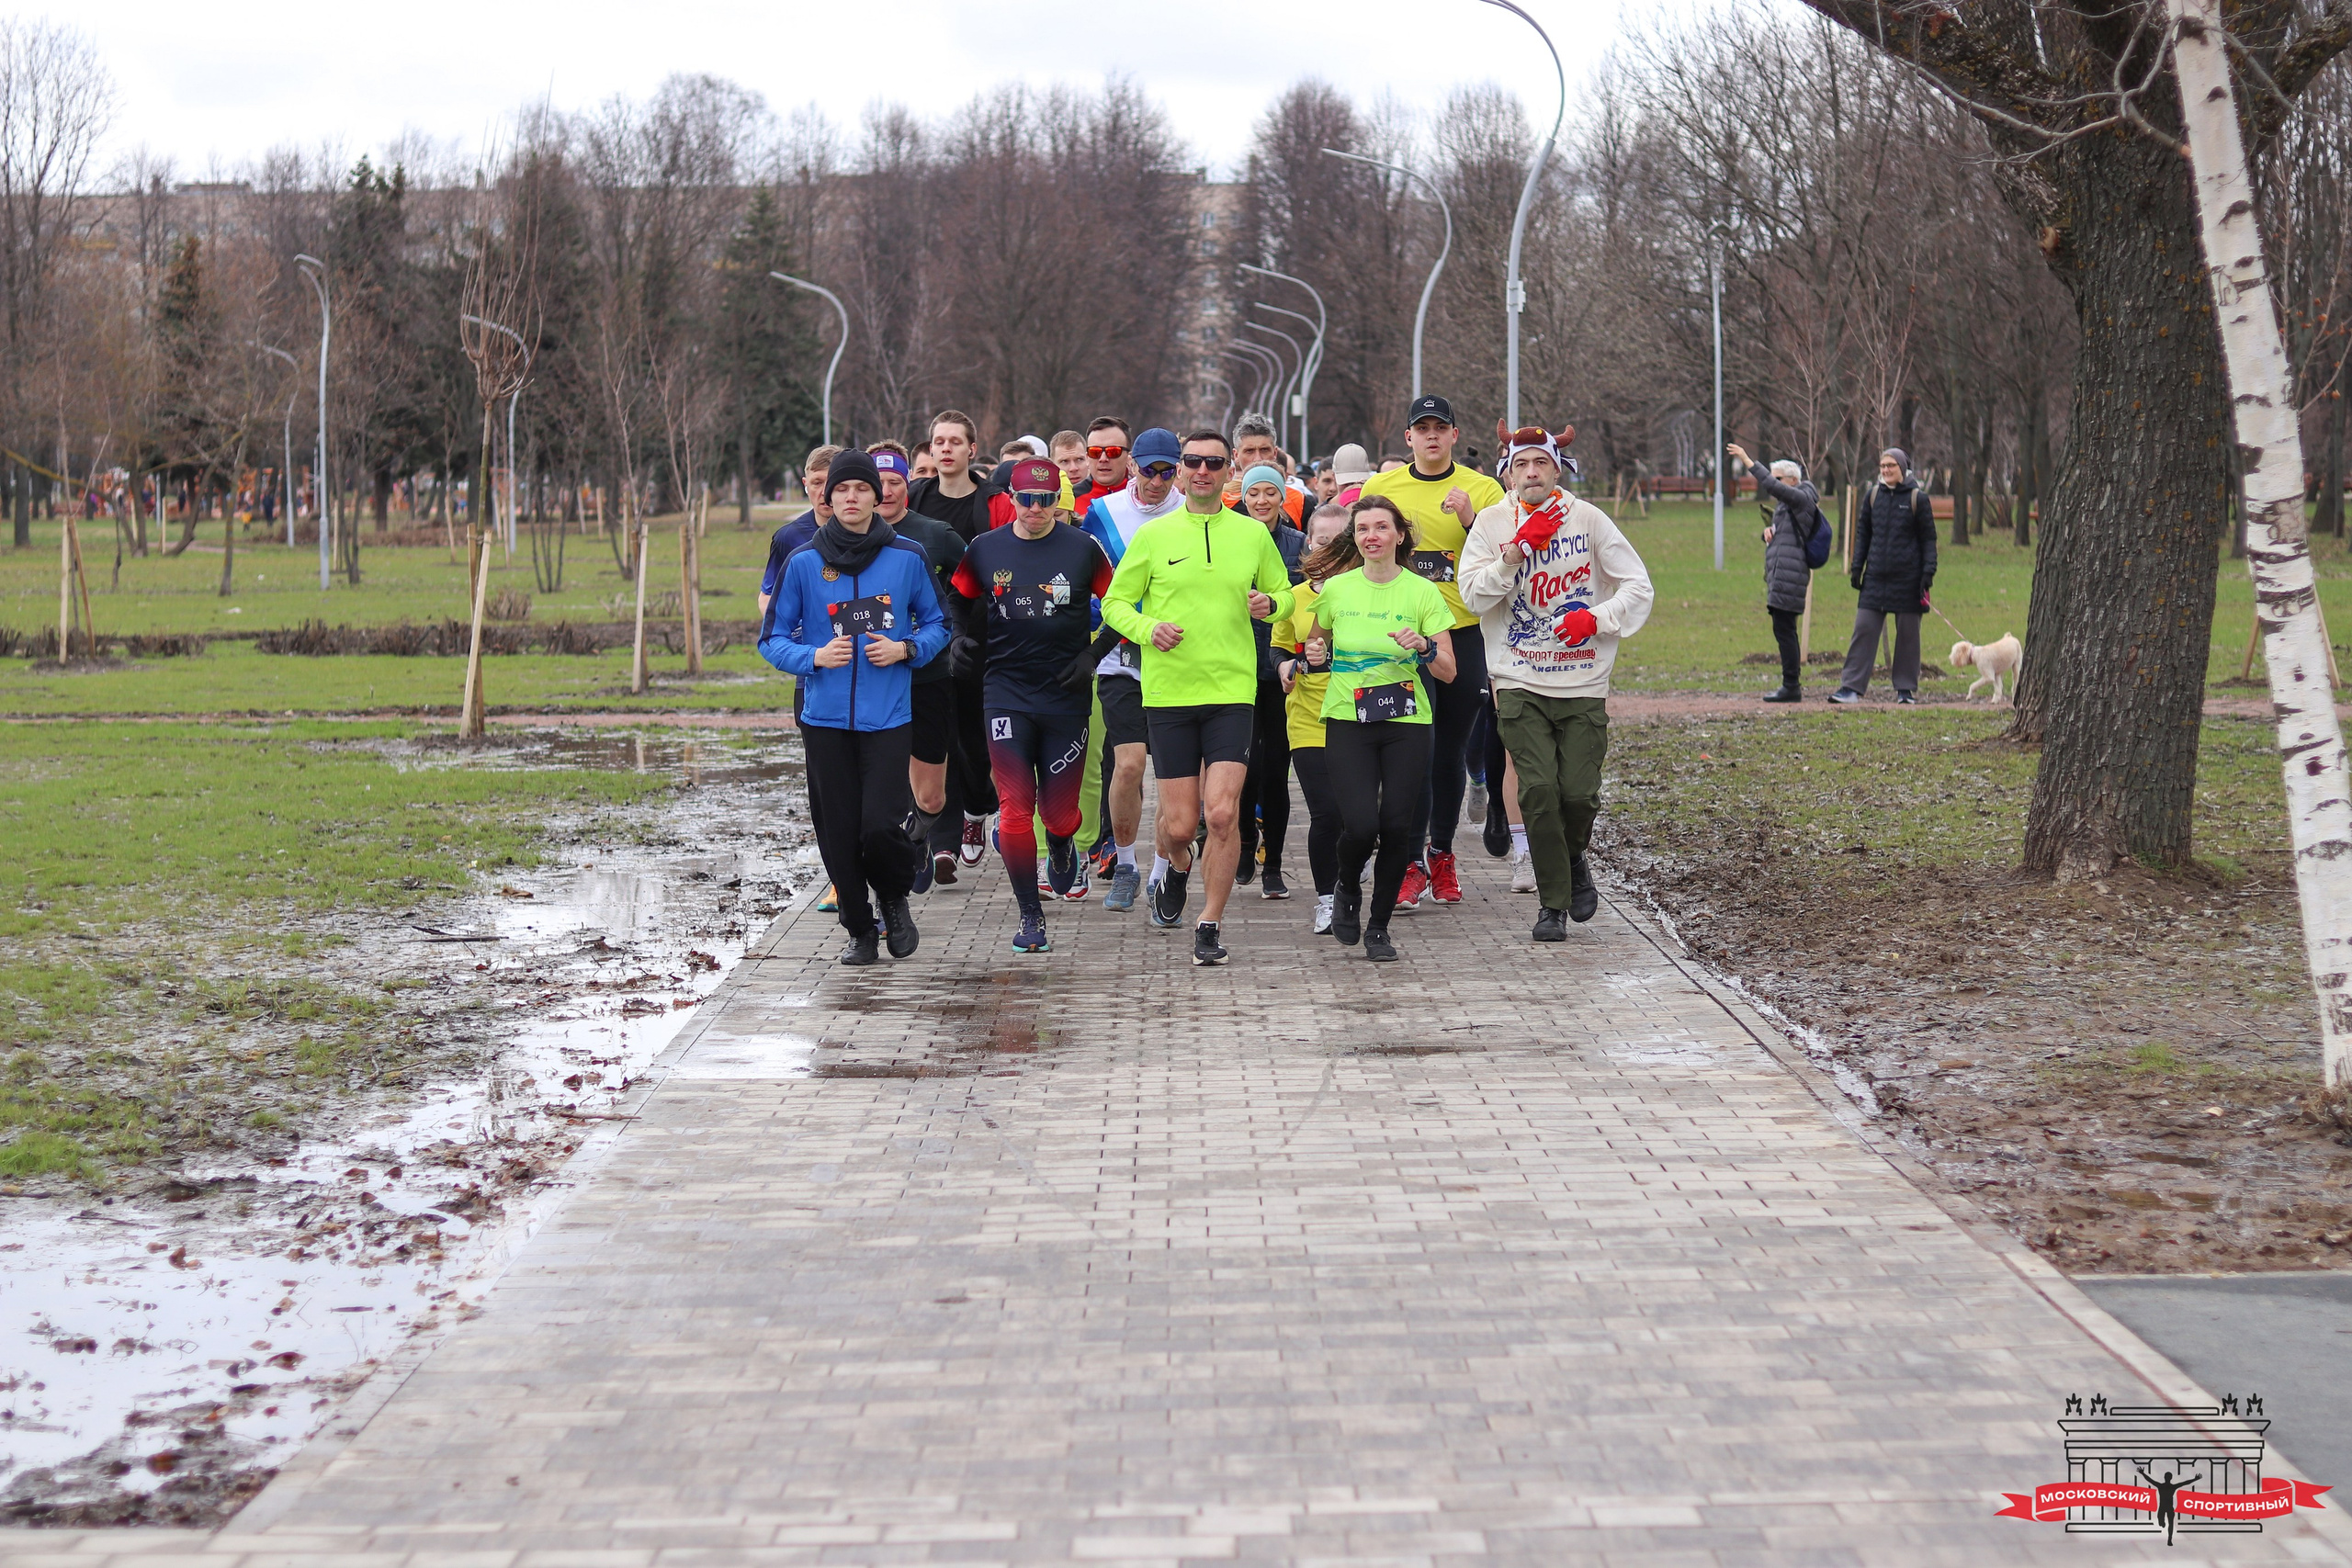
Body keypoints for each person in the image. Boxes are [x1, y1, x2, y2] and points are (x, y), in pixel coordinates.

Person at [1097, 429, 1297, 966]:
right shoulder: (1156, 537)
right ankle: (1179, 865)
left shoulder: (1252, 535)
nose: (1203, 471)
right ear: (1182, 470)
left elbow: (1284, 596)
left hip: (1233, 690)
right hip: (1169, 693)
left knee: (1224, 814)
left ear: (1229, 468)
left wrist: (1269, 605)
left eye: (1214, 462)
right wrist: (1147, 629)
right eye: (1193, 462)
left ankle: (1210, 922)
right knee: (1181, 825)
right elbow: (1115, 604)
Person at [1459, 423, 1654, 940]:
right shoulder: (1491, 523)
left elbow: (1638, 585)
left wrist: (1598, 617)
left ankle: (1573, 861)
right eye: (1520, 465)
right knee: (1539, 791)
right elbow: (1473, 597)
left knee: (1578, 796)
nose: (1530, 473)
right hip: (1518, 676)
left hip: (1584, 680)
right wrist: (1514, 554)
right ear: (1507, 471)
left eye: (1539, 463)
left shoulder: (1587, 519)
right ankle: (1552, 906)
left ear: (1556, 468)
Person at [759, 451, 951, 964]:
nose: (851, 498)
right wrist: (813, 657)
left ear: (877, 497)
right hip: (823, 719)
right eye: (841, 490)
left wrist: (904, 649)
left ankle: (892, 898)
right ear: (828, 497)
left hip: (888, 716)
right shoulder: (803, 563)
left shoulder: (907, 557)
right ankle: (859, 928)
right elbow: (771, 639)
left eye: (861, 489)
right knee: (838, 830)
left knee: (880, 825)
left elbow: (939, 626)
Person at [948, 457, 1116, 953]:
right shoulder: (986, 549)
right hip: (1005, 692)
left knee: (1061, 815)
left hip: (1066, 694)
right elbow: (956, 598)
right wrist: (958, 636)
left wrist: (1092, 655)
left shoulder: (1084, 549)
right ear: (1013, 499)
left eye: (1047, 501)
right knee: (1016, 810)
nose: (1037, 509)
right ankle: (1030, 915)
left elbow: (1123, 607)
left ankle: (1063, 844)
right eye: (1027, 499)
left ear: (1059, 504)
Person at [1357, 394, 1507, 910]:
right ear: (1408, 439)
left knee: (1447, 753)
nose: (1431, 437)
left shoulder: (1482, 489)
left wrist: (1470, 522)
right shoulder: (1383, 488)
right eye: (1421, 429)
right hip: (1404, 639)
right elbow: (1363, 547)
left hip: (1463, 635)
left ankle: (1441, 853)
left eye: (1440, 428)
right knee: (1410, 754)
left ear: (1455, 435)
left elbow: (1503, 561)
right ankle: (1408, 862)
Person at [1312, 494, 1458, 961]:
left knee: (1397, 827)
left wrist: (1425, 649)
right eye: (1362, 529)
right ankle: (1347, 885)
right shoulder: (1336, 591)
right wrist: (1313, 658)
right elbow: (1318, 650)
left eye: (1380, 527)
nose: (1371, 536)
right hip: (1348, 718)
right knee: (1359, 824)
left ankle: (1378, 926)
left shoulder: (1422, 592)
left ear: (1399, 535)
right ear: (1353, 538)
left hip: (1405, 721)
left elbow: (1450, 670)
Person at [1077, 426, 1186, 912]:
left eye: (1167, 471)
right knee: (1128, 765)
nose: (1157, 481)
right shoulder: (1101, 513)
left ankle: (1163, 872)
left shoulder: (1193, 511)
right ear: (1131, 467)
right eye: (1148, 470)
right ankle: (1124, 862)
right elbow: (1088, 587)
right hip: (1120, 655)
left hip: (1179, 659)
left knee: (1172, 776)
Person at [907, 411, 1005, 864]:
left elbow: (1001, 569)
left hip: (978, 635)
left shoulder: (992, 502)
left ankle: (978, 807)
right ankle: (941, 839)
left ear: (971, 448)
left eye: (954, 442)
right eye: (938, 442)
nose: (945, 449)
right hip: (924, 636)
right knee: (936, 734)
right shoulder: (914, 498)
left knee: (972, 737)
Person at [868, 441, 967, 891]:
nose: (886, 491)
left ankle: (921, 831)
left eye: (894, 482)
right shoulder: (845, 541)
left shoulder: (936, 534)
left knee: (931, 795)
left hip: (927, 676)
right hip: (871, 680)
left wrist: (959, 632)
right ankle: (886, 864)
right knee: (878, 787)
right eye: (878, 483)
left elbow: (973, 587)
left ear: (908, 483)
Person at [1273, 502, 1358, 933]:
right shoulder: (1296, 598)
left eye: (1340, 540)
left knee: (1357, 817)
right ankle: (1329, 897)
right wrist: (1285, 666)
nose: (1330, 548)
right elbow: (1280, 647)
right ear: (1309, 542)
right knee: (1326, 813)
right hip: (1308, 715)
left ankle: (1350, 878)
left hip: (1361, 715)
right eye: (1322, 539)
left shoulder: (1369, 592)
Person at [1235, 464, 1306, 896]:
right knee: (1244, 769)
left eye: (1270, 493)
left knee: (1277, 772)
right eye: (1254, 494)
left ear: (1283, 497)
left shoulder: (1297, 545)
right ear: (1243, 498)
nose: (1262, 501)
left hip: (1282, 671)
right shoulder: (1233, 538)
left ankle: (1275, 862)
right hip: (1239, 669)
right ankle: (1245, 846)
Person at [1831, 447, 1936, 705]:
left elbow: (1929, 539)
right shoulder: (1873, 496)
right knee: (1864, 630)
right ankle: (1851, 688)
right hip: (1876, 578)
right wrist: (1857, 567)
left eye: (1891, 465)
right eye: (1883, 465)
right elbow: (1863, 533)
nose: (1886, 470)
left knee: (1909, 636)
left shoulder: (1917, 498)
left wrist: (1927, 573)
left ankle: (1905, 690)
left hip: (1909, 580)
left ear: (1902, 468)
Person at [1729, 443, 1826, 704]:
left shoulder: (1802, 497)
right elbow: (1784, 536)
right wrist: (1767, 533)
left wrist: (1748, 461)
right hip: (1782, 574)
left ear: (1793, 480)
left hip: (1790, 575)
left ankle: (1791, 686)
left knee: (1785, 631)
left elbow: (1773, 487)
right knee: (1783, 629)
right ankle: (1790, 684)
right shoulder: (1788, 505)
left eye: (1779, 479)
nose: (1774, 485)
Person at [758, 444, 839, 617]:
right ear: (806, 484)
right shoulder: (788, 538)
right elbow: (768, 596)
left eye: (833, 482)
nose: (825, 492)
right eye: (817, 482)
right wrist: (792, 635)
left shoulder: (870, 534)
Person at [1232, 412, 1306, 525]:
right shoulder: (1222, 503)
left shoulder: (1299, 502)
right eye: (1249, 451)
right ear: (1236, 455)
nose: (1258, 458)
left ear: (1275, 452)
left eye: (1264, 450)